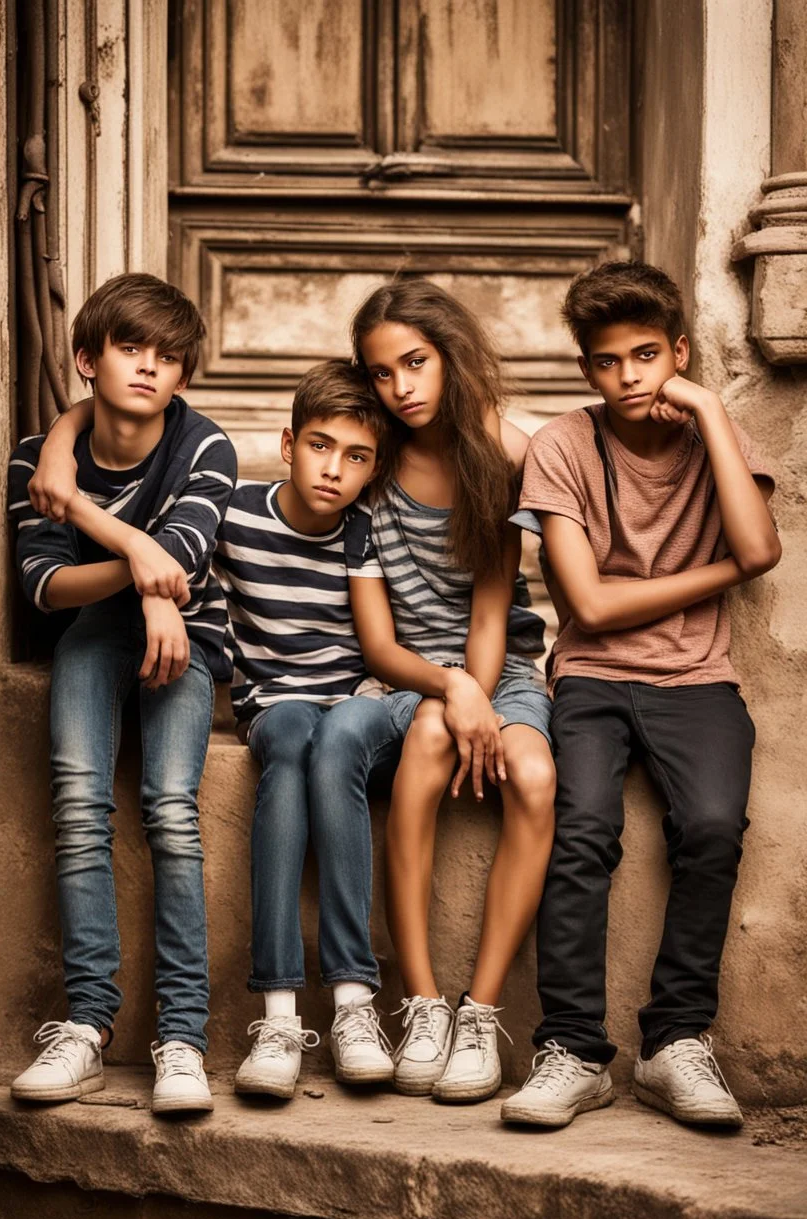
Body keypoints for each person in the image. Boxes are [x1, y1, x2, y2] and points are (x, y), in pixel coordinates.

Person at [501, 260, 780, 1129]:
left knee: (711, 828)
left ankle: (674, 1044)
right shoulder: (561, 446)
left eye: (648, 356)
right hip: (589, 675)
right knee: (581, 829)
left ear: (680, 354)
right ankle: (573, 1050)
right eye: (609, 361)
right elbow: (585, 604)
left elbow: (760, 547)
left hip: (700, 678)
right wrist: (722, 571)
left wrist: (707, 411)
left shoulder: (711, 437)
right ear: (587, 368)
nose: (630, 377)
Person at [8, 272, 237, 1114]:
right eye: (131, 349)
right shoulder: (37, 459)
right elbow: (42, 586)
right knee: (77, 805)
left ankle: (183, 1040)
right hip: (92, 640)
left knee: (172, 810)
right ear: (85, 360)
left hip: (189, 642)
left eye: (168, 357)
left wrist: (116, 542)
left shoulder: (204, 445)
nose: (149, 368)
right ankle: (88, 1028)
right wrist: (138, 568)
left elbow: (185, 556)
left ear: (184, 376)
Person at [347, 280, 556, 1104]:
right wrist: (449, 692)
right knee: (432, 736)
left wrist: (477, 691)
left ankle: (481, 1011)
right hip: (409, 672)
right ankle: (422, 1002)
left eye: (415, 363)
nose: (401, 387)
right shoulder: (374, 458)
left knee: (536, 776)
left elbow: (495, 608)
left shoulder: (504, 456)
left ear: (450, 355)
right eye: (381, 373)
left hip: (495, 663)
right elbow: (378, 642)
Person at [214, 361, 400, 1100]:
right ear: (288, 443)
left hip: (359, 705)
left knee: (331, 738)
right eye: (321, 446)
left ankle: (355, 1003)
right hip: (277, 707)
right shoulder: (234, 515)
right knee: (292, 736)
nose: (334, 470)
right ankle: (279, 1015)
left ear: (374, 468)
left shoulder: (370, 534)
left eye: (356, 458)